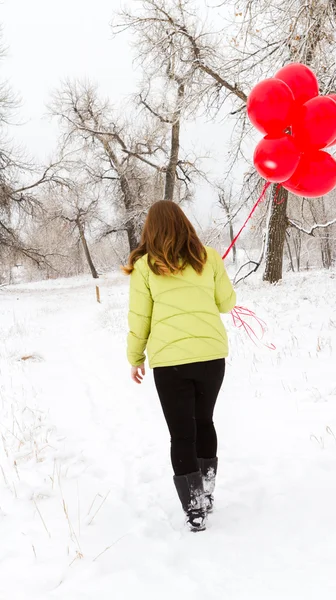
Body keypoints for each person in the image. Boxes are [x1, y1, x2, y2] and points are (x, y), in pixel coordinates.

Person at [122, 200, 236, 532]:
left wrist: (135, 357)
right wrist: (214, 275)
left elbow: (139, 318)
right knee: (204, 422)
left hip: (170, 363)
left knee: (182, 434)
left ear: (150, 230)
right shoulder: (209, 258)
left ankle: (195, 506)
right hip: (212, 357)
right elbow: (226, 303)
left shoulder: (144, 267)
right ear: (186, 224)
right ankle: (207, 494)